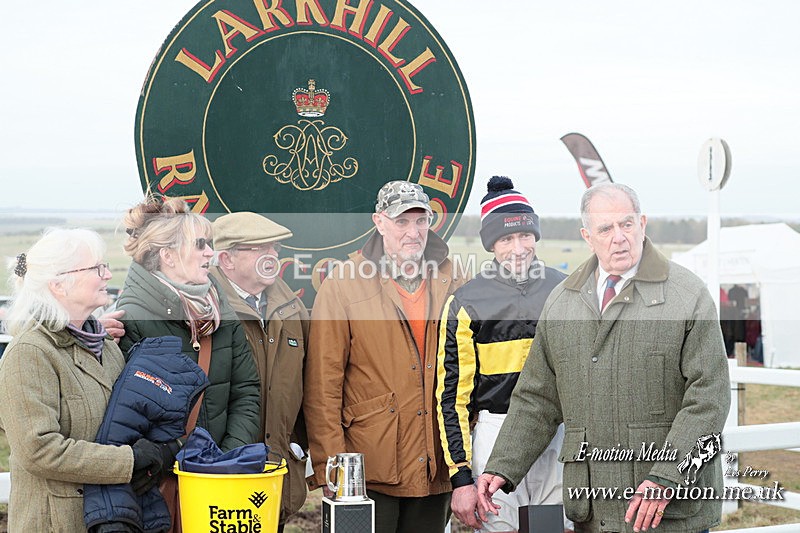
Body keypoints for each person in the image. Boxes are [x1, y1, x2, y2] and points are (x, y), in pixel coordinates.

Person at [476, 183, 731, 533]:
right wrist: (501, 466)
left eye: (626, 224)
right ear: (587, 236)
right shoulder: (562, 302)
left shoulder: (688, 296)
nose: (619, 238)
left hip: (667, 512)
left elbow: (709, 399)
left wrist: (667, 476)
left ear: (642, 223)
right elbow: (538, 397)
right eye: (606, 229)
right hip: (594, 511)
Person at [304, 181, 467, 533]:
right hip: (369, 470)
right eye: (401, 222)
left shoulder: (452, 278)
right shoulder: (343, 284)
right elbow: (322, 385)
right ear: (379, 221)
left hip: (436, 464)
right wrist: (333, 469)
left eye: (421, 221)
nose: (414, 232)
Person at [0, 229, 175, 532]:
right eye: (96, 268)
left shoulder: (104, 345)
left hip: (114, 516)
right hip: (57, 522)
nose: (107, 275)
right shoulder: (30, 352)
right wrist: (130, 461)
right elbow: (39, 450)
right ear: (58, 284)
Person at [436, 176, 569, 532]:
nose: (518, 247)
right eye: (506, 238)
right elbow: (452, 399)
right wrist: (461, 477)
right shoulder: (466, 302)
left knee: (551, 528)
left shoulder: (564, 291)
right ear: (491, 244)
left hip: (555, 432)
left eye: (525, 235)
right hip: (496, 432)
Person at [116, 196, 261, 452]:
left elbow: (245, 391)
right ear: (169, 256)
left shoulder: (219, 308)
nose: (210, 252)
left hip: (220, 474)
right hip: (162, 479)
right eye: (199, 245)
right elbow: (126, 416)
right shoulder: (131, 318)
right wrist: (175, 460)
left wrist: (226, 457)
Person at [211, 212, 310, 532]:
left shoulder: (292, 309)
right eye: (259, 249)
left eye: (275, 250)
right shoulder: (203, 309)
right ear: (226, 259)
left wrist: (297, 445)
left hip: (275, 475)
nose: (272, 257)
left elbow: (309, 385)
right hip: (217, 478)